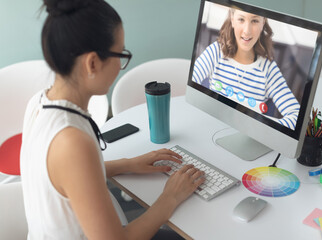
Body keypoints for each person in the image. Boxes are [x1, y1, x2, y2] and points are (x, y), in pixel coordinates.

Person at [20, 0, 205, 239]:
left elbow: (68, 176)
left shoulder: (38, 103)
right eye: (121, 54)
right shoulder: (72, 141)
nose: (120, 66)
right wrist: (170, 197)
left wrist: (129, 163)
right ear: (93, 63)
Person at [192, 8, 300, 130]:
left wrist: (260, 124)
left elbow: (296, 116)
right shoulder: (215, 52)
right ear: (232, 19)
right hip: (212, 127)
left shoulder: (268, 70)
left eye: (254, 21)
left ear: (263, 22)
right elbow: (190, 84)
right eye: (241, 19)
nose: (247, 31)